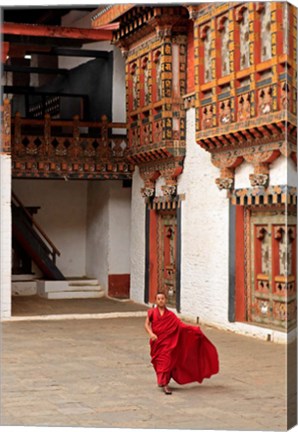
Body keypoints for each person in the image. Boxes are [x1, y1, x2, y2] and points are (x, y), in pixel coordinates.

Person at [144, 291, 219, 395]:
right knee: (158, 362)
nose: (161, 300)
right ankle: (161, 380)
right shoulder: (152, 312)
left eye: (162, 299)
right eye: (159, 299)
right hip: (157, 342)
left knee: (166, 361)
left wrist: (194, 329)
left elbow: (180, 325)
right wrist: (151, 333)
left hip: (168, 343)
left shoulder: (170, 315)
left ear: (165, 300)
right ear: (156, 300)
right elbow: (147, 324)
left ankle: (165, 384)